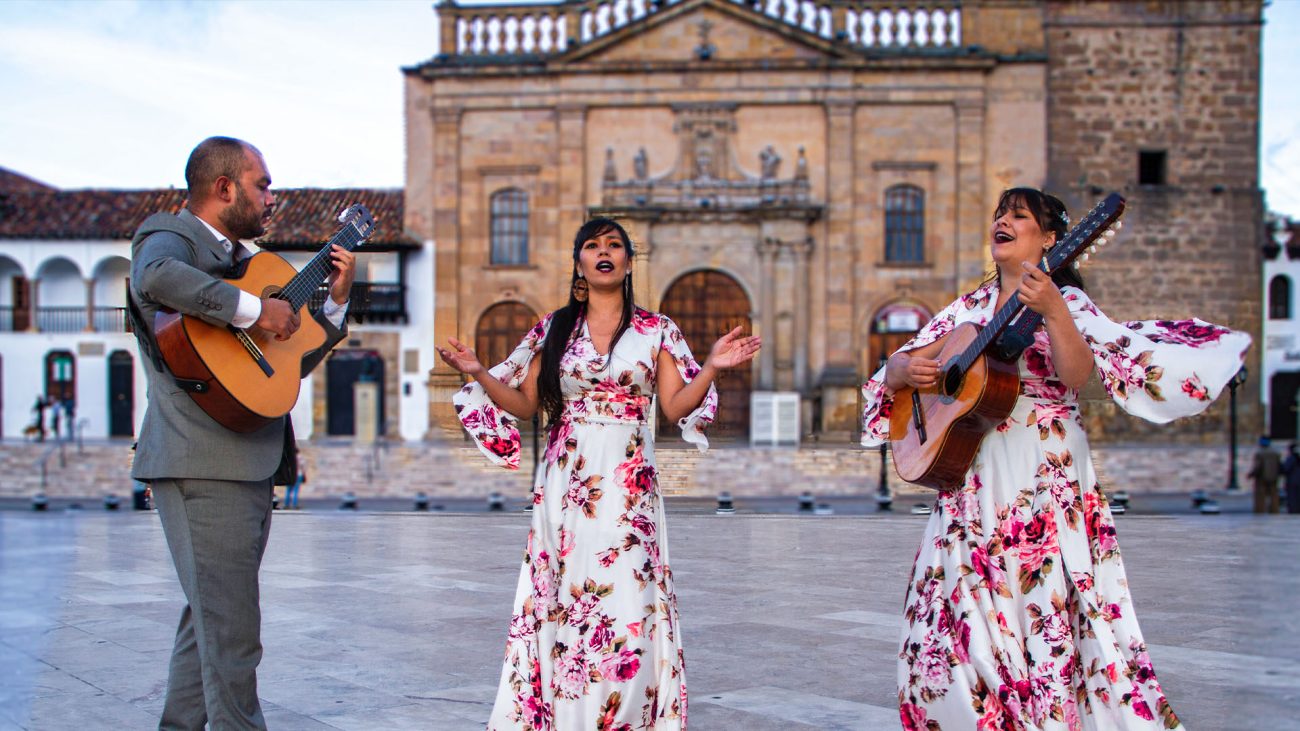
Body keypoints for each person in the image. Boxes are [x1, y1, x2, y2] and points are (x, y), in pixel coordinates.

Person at [860, 188, 1250, 730]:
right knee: (950, 632)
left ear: (1049, 241)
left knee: (1039, 613)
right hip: (972, 480)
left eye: (1019, 216)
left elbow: (1075, 374)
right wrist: (902, 370)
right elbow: (900, 366)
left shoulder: (1067, 303)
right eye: (1000, 213)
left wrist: (1053, 311)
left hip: (1040, 474)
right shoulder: (967, 309)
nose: (1003, 220)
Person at [438, 217, 760, 730]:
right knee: (566, 592)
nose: (603, 251)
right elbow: (524, 404)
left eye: (614, 245)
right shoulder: (554, 327)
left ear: (629, 263)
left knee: (628, 591)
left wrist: (714, 367)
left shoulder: (658, 330)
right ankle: (565, 713)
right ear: (580, 263)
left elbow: (676, 408)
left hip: (630, 479)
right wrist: (478, 371)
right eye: (592, 245)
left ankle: (623, 716)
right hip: (568, 480)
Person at [129, 136, 355, 730]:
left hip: (245, 461)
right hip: (203, 463)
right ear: (224, 187)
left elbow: (276, 369)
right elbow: (154, 277)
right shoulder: (170, 236)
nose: (272, 197)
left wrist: (329, 308)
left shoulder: (244, 264)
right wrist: (254, 310)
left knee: (208, 621)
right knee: (233, 638)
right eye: (263, 184)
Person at [1249, 436, 1282, 514]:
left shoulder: (1260, 453)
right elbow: (1279, 465)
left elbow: (1258, 466)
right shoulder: (1276, 453)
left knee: (1260, 496)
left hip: (1261, 477)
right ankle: (1274, 510)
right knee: (1274, 495)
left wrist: (1252, 474)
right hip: (1274, 477)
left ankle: (1260, 511)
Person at [1282, 443, 1300, 514]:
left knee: (1293, 498)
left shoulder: (1291, 458)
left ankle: (1293, 510)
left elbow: (1285, 468)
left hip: (1292, 482)